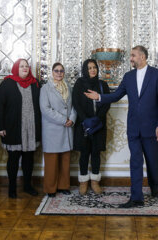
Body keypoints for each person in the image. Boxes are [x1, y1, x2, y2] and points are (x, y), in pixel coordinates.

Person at [84, 45, 158, 208]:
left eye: (133, 56)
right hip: (133, 128)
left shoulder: (157, 75)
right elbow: (116, 95)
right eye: (131, 56)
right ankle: (136, 198)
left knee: (152, 162)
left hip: (152, 128)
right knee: (135, 161)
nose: (131, 58)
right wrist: (99, 97)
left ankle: (154, 185)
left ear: (142, 57)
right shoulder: (128, 76)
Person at [0, 59, 41, 199]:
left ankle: (27, 186)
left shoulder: (35, 84)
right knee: (13, 160)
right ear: (16, 68)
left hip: (31, 129)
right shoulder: (7, 83)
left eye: (27, 66)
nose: (25, 68)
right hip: (13, 128)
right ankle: (12, 188)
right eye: (22, 66)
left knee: (28, 159)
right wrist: (0, 127)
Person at [72, 59, 110, 195]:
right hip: (84, 125)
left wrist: (96, 119)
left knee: (95, 153)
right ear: (85, 70)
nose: (92, 70)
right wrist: (86, 120)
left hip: (98, 125)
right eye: (89, 68)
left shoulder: (103, 84)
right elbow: (76, 103)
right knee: (84, 153)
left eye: (94, 67)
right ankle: (83, 182)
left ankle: (95, 182)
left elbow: (107, 103)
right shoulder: (79, 84)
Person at [40, 63, 76, 197]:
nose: (59, 73)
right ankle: (50, 188)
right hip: (53, 129)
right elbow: (45, 109)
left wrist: (72, 118)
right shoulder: (45, 89)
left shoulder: (69, 87)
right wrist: (63, 120)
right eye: (56, 71)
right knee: (51, 161)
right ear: (52, 72)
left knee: (65, 160)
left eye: (61, 71)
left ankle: (63, 186)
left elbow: (73, 106)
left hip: (67, 128)